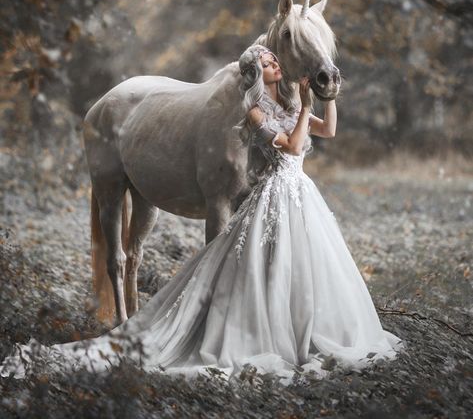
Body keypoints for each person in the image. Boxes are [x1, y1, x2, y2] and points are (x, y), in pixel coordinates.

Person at [0, 44, 403, 386]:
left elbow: (328, 132)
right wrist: (306, 109)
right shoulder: (255, 113)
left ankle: (293, 327)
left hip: (297, 194)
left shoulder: (284, 103)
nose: (276, 62)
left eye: (273, 57)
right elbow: (294, 147)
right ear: (257, 76)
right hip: (283, 187)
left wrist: (327, 98)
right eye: (267, 62)